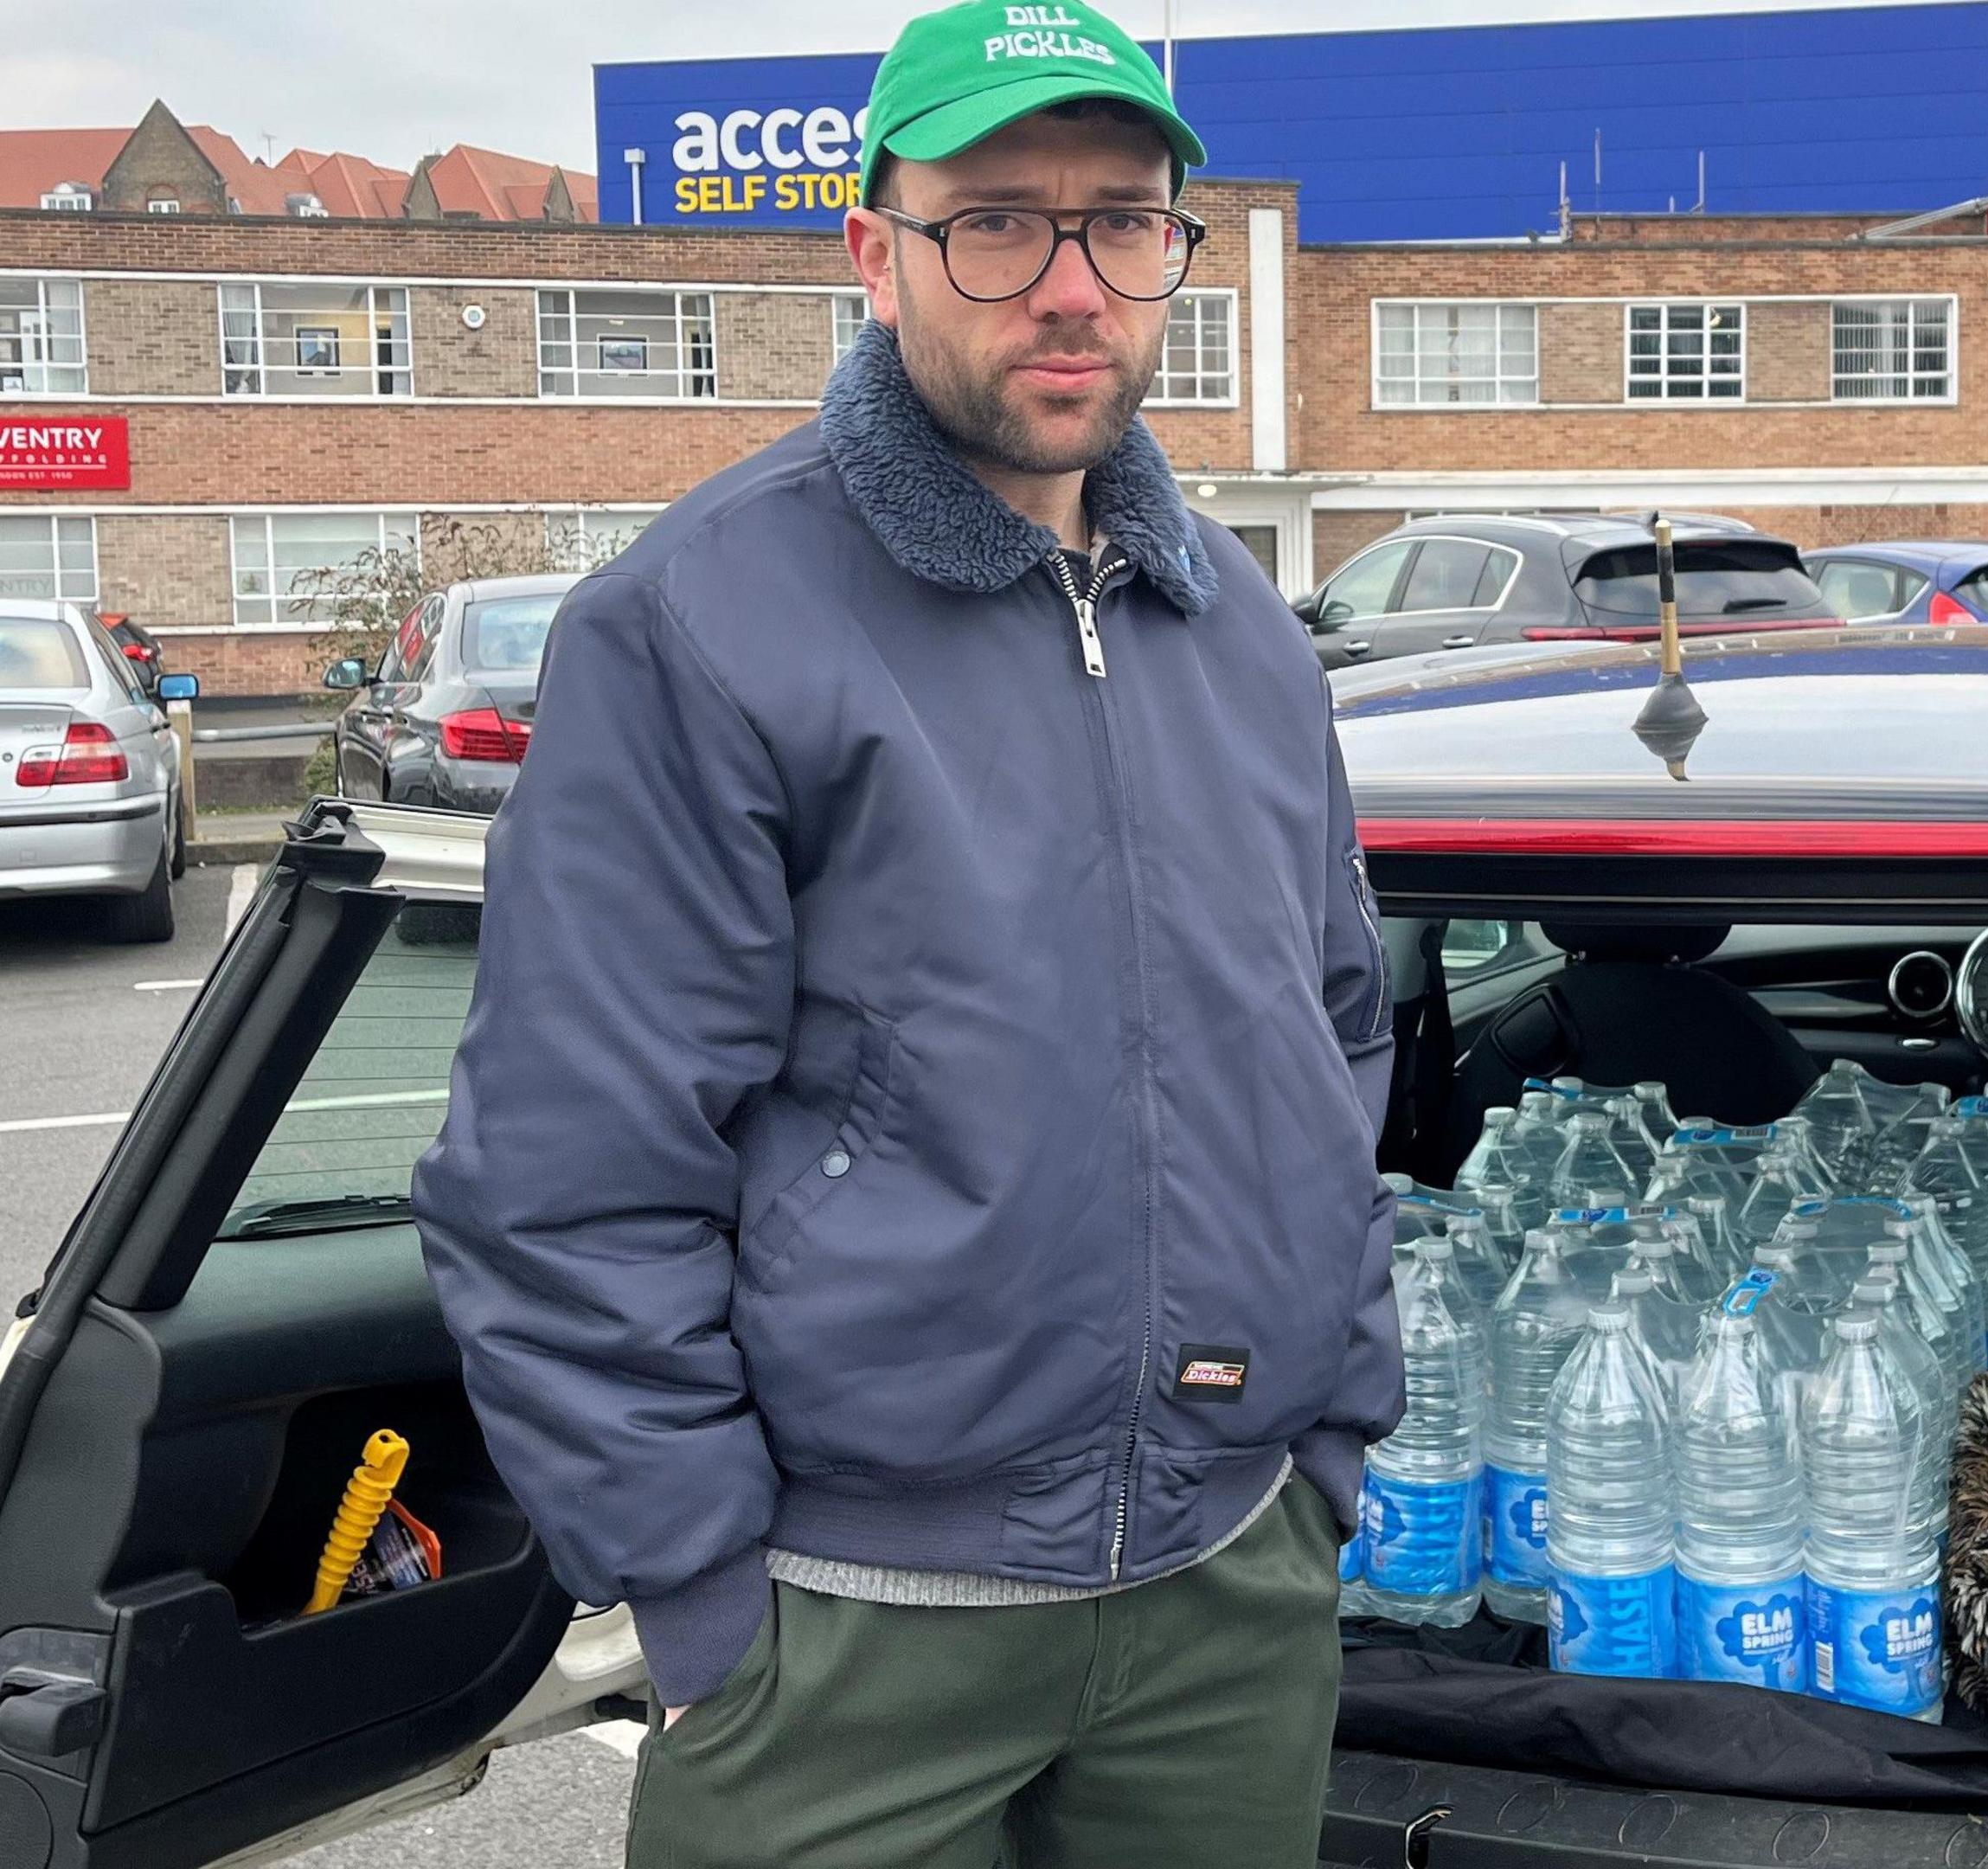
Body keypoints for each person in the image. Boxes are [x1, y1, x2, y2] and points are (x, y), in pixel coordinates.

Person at [410, 5, 1398, 1863]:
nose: (1071, 284)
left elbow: (1330, 1044)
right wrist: (698, 1590)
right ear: (877, 252)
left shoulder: (1253, 646)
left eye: (1124, 219)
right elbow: (566, 1165)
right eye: (997, 220)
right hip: (849, 1633)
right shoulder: (697, 626)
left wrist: (1323, 1451)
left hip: (1223, 1602)